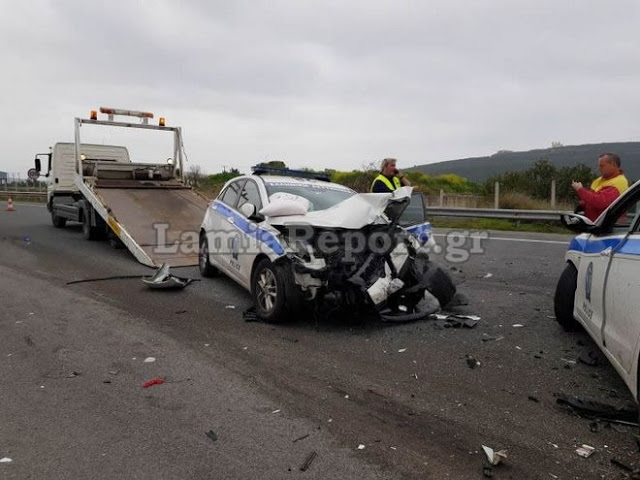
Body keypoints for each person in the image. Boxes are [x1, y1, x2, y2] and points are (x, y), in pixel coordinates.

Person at [572, 153, 629, 221]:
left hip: (608, 227)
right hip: (594, 224)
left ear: (614, 165)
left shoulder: (619, 182)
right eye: (599, 166)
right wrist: (582, 204)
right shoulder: (598, 180)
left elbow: (600, 202)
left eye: (602, 166)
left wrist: (580, 190)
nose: (599, 169)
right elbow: (591, 199)